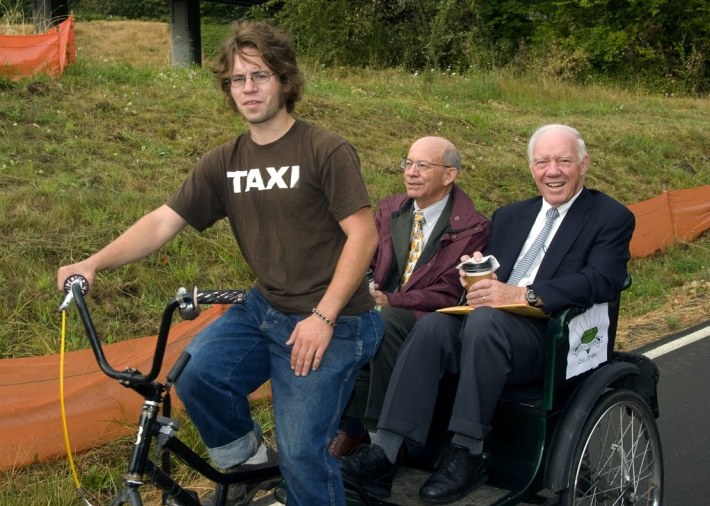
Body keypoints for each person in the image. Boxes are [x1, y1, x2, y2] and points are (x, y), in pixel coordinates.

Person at [57, 21, 383, 506]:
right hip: (265, 308)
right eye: (237, 80)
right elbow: (163, 221)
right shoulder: (224, 162)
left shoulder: (323, 149)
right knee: (198, 376)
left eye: (260, 76)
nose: (248, 89)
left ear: (286, 82)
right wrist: (95, 261)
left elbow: (364, 234)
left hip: (337, 319)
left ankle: (293, 480)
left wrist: (323, 317)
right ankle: (250, 468)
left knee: (302, 454)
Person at [338, 124, 635, 503]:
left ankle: (467, 451)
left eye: (563, 161)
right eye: (542, 162)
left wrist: (525, 294)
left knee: (484, 320)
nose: (552, 171)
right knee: (434, 327)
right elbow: (491, 274)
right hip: (490, 324)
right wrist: (473, 275)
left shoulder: (609, 216)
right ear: (531, 167)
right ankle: (387, 451)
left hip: (549, 335)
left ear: (584, 164)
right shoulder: (511, 215)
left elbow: (603, 279)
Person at [329, 136, 490, 457]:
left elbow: (449, 292)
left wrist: (392, 301)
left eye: (423, 165)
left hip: (431, 320)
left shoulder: (473, 227)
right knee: (333, 314)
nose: (411, 172)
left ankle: (379, 443)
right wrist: (366, 286)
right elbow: (367, 260)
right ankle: (340, 428)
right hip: (382, 305)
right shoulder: (390, 211)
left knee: (385, 321)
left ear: (449, 175)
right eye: (408, 163)